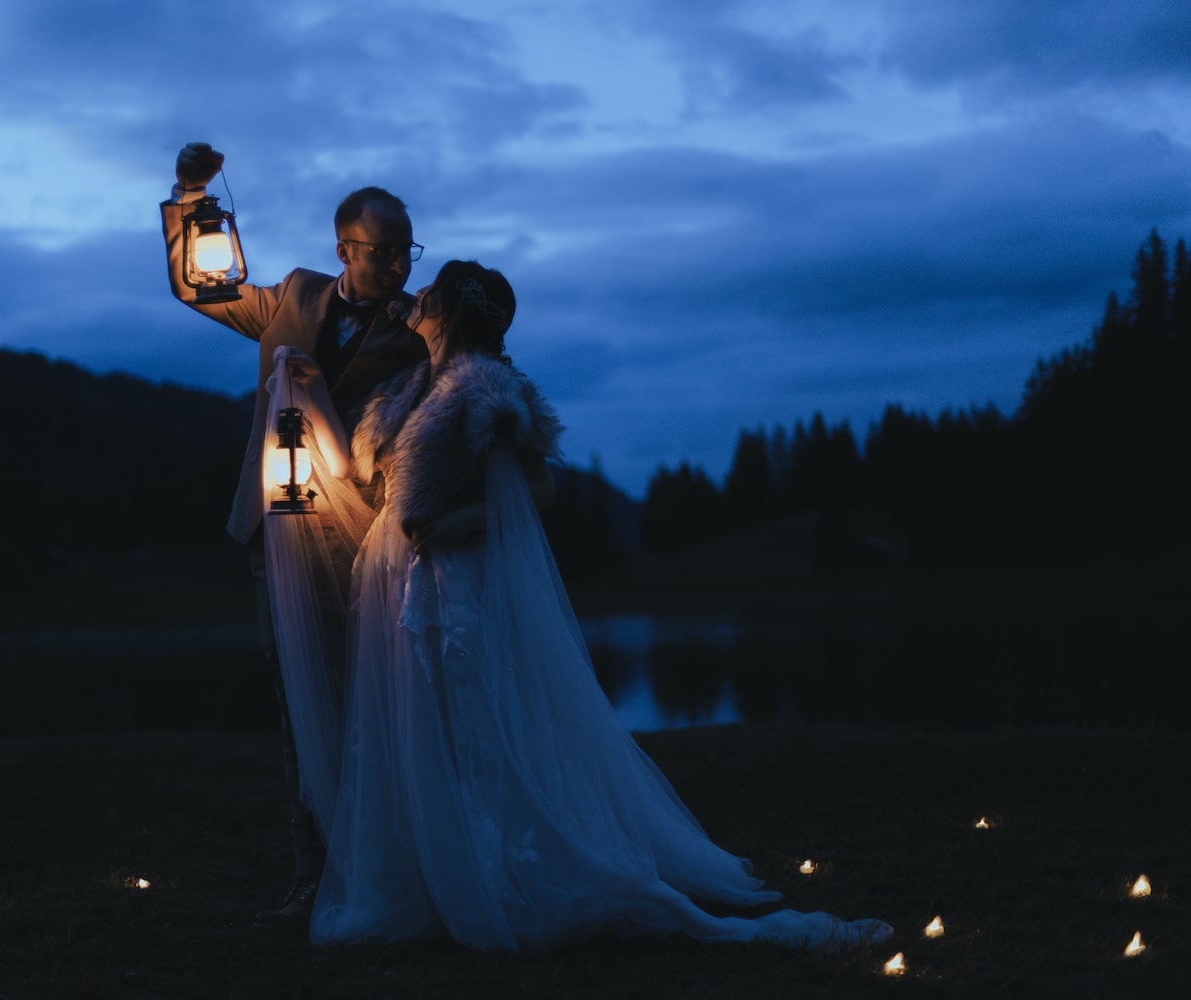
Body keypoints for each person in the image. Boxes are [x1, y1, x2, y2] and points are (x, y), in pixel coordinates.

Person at [282, 260, 893, 951]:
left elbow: (537, 491)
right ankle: (435, 870)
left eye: (428, 294)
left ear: (449, 312)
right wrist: (310, 403)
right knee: (420, 732)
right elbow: (359, 477)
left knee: (473, 729)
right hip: (398, 579)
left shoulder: (484, 388)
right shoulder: (406, 392)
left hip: (453, 583)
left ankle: (495, 872)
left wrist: (450, 528)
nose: (413, 298)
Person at [159, 143, 428, 931]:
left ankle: (385, 868)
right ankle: (311, 878)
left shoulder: (418, 331)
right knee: (296, 703)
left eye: (407, 252)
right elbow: (197, 288)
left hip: (364, 537)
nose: (399, 268)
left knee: (371, 699)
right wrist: (191, 193)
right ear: (345, 247)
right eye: (384, 253)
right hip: (276, 532)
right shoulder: (292, 296)